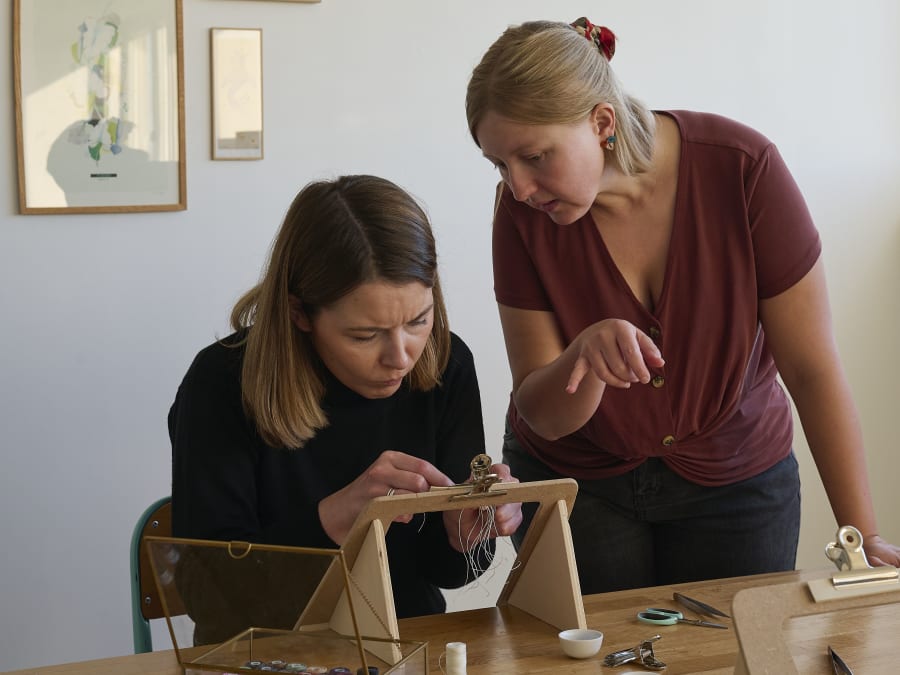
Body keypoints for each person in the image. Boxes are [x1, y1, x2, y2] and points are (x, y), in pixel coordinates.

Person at [465, 17, 900, 594]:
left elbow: (811, 368)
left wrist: (860, 536)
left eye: (534, 157)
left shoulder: (743, 168)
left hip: (739, 481)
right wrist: (584, 361)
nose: (518, 187)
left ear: (601, 122)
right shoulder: (522, 214)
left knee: (734, 654)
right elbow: (543, 410)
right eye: (499, 164)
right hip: (577, 484)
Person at [169, 174, 522, 631]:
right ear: (299, 313)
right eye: (365, 335)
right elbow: (211, 598)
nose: (400, 357)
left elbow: (448, 575)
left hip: (408, 643)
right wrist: (335, 521)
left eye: (418, 320)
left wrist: (465, 534)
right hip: (264, 650)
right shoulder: (220, 384)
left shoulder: (446, 364)